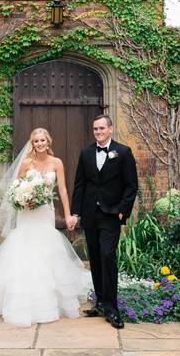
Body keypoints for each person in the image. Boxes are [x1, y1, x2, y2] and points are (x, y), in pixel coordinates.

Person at [0, 127, 92, 327]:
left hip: (45, 214)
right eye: (36, 141)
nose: (40, 143)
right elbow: (15, 190)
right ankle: (21, 303)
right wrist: (24, 199)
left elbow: (62, 189)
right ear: (32, 144)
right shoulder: (26, 164)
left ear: (48, 142)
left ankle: (49, 303)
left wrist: (68, 214)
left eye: (43, 140)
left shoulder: (56, 163)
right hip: (28, 213)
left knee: (46, 253)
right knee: (24, 252)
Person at [68, 114, 138, 329]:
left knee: (108, 256)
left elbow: (131, 185)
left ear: (110, 129)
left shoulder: (123, 152)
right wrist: (75, 212)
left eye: (101, 128)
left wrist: (121, 211)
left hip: (110, 214)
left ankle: (112, 308)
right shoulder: (87, 152)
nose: (98, 132)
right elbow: (80, 184)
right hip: (90, 214)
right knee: (96, 258)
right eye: (95, 129)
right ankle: (99, 302)